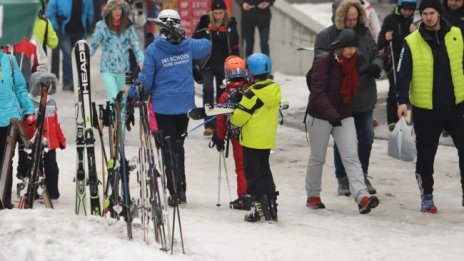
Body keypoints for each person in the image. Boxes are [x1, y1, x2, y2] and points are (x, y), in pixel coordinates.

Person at [396, 0, 464, 213]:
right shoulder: (411, 41)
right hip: (427, 109)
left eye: (432, 12)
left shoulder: (457, 35)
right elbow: (402, 73)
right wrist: (401, 101)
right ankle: (427, 194)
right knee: (426, 155)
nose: (428, 17)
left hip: (456, 106)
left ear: (439, 13)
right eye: (424, 13)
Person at [139, 9, 211, 206]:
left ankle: (174, 191)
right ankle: (181, 190)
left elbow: (146, 81)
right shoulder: (187, 46)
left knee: (168, 148)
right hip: (184, 106)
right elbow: (206, 46)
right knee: (179, 147)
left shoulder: (154, 50)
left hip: (163, 107)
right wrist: (193, 35)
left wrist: (131, 93)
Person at [305, 29, 380, 214]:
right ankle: (313, 195)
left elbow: (354, 90)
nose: (351, 51)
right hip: (319, 115)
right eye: (347, 47)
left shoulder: (356, 62)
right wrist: (332, 115)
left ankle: (362, 197)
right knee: (317, 158)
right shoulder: (324, 61)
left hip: (344, 113)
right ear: (339, 46)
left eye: (354, 47)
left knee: (351, 156)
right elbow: (317, 93)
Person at [314, 0, 383, 197]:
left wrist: (377, 64)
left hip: (364, 93)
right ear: (341, 17)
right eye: (348, 19)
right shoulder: (326, 36)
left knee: (367, 136)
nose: (352, 23)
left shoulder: (364, 32)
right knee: (343, 139)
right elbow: (320, 64)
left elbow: (376, 53)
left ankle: (362, 174)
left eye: (355, 19)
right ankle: (342, 177)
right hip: (341, 96)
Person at [230, 53, 280, 223]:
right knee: (265, 172)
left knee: (253, 176)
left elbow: (238, 118)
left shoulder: (252, 94)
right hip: (266, 140)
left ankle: (260, 210)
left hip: (251, 141)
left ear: (251, 73)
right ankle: (272, 207)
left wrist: (238, 105)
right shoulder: (274, 89)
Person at [193, 0, 240, 136]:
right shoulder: (204, 23)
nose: (219, 15)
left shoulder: (231, 24)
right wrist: (194, 62)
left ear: (225, 12)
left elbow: (235, 47)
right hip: (207, 63)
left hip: (224, 63)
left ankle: (220, 123)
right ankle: (209, 124)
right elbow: (195, 40)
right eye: (216, 13)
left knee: (222, 94)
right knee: (208, 90)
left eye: (221, 13)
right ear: (212, 13)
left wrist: (236, 65)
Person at [210, 55, 251, 210]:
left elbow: (221, 119)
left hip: (236, 137)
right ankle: (257, 194)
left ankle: (244, 196)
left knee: (241, 167)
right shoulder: (250, 90)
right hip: (254, 134)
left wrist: (219, 137)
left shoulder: (225, 95)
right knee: (255, 165)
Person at [19, 71, 66, 200]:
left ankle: (52, 191)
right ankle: (33, 190)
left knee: (52, 167)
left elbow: (55, 123)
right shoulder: (28, 102)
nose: (46, 88)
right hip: (34, 141)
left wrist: (61, 139)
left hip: (50, 142)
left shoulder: (52, 102)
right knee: (35, 166)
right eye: (43, 84)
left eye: (49, 84)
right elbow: (24, 125)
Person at [0, 50, 35, 209]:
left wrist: (29, 109)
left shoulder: (10, 60)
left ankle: (4, 200)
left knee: (6, 161)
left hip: (9, 119)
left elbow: (21, 88)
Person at [89, 0, 144, 101]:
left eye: (119, 8)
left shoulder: (128, 26)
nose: (117, 11)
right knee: (113, 98)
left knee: (123, 100)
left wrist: (141, 61)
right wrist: (83, 60)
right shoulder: (102, 26)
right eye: (114, 8)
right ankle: (113, 116)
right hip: (107, 68)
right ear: (109, 10)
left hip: (124, 69)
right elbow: (93, 45)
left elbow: (136, 45)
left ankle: (120, 117)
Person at [377, 0, 417, 131]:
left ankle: (406, 120)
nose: (407, 12)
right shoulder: (390, 20)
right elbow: (380, 43)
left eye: (410, 10)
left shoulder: (414, 21)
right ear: (399, 7)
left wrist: (415, 32)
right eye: (404, 9)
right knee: (394, 90)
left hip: (409, 61)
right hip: (393, 61)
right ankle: (392, 121)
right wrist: (386, 38)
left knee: (408, 92)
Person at [46, 0, 94, 91]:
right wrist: (56, 26)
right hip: (64, 30)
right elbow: (50, 12)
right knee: (67, 54)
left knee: (79, 56)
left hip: (79, 29)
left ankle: (77, 82)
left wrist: (88, 24)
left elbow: (90, 11)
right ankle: (68, 82)